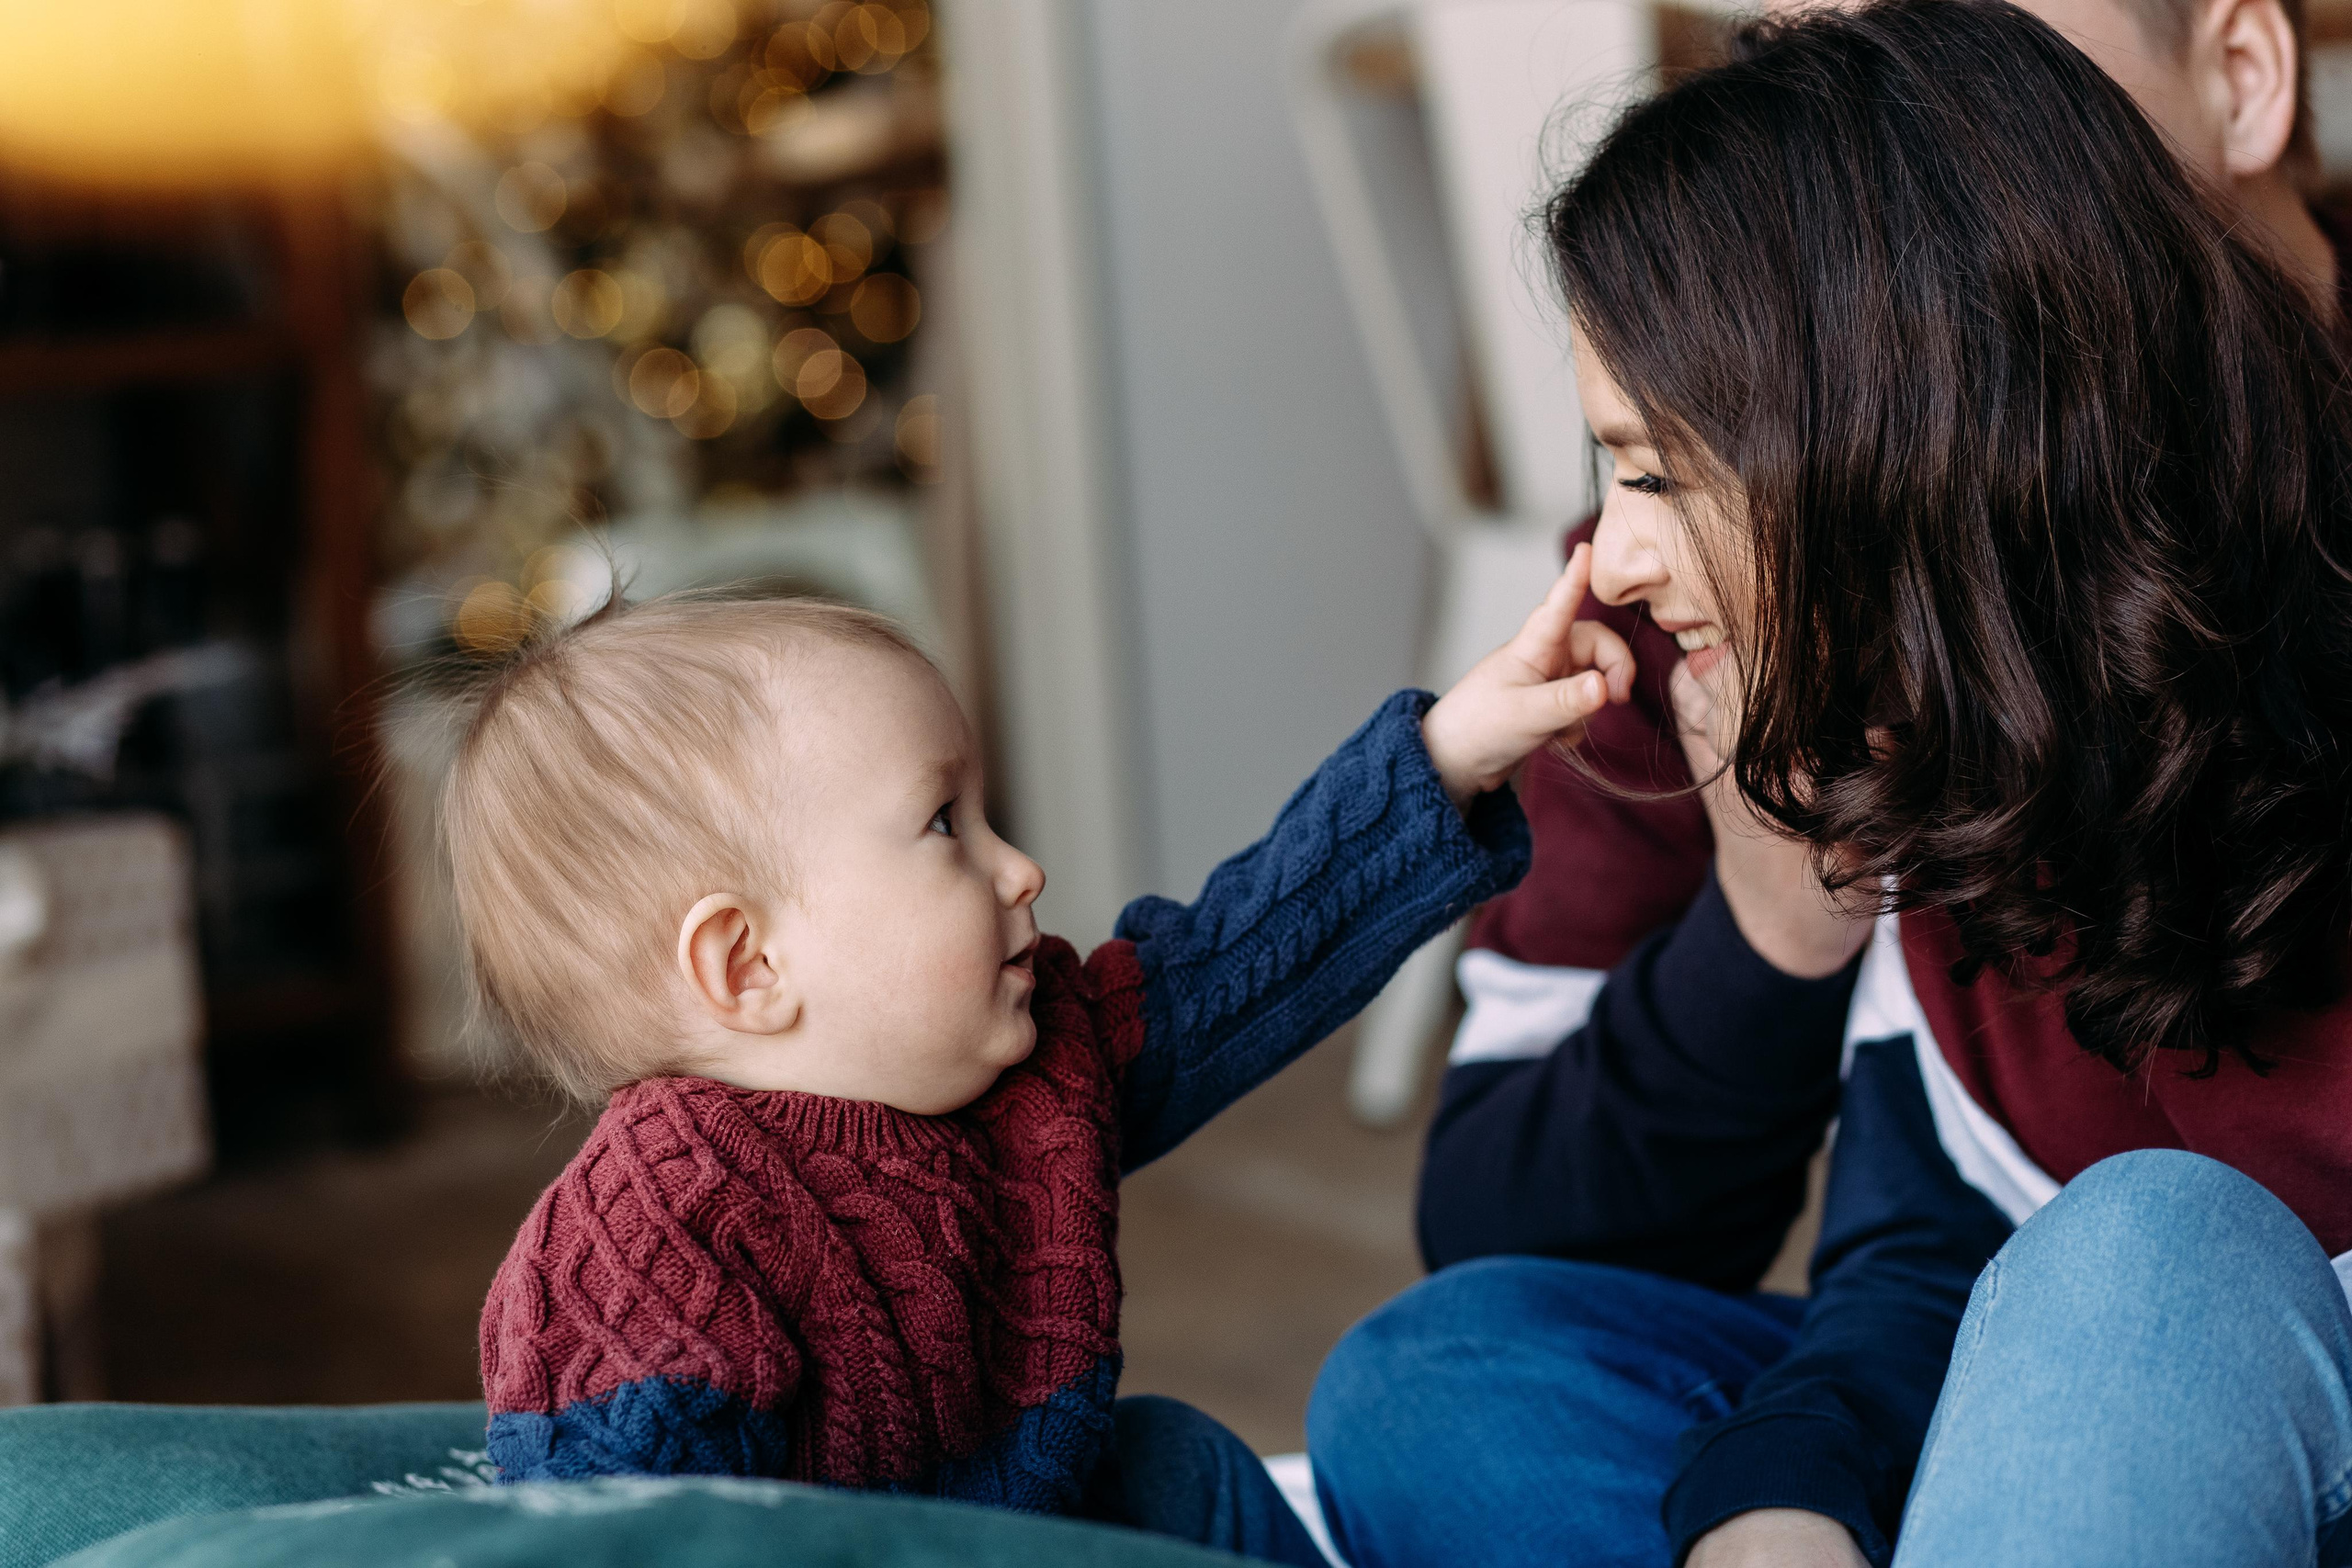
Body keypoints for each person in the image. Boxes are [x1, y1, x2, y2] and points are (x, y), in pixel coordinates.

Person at [1307, 3, 2352, 1565]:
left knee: (2143, 1251)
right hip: (2068, 1406)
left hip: (2225, 1379)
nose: (1614, 554)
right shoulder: (1887, 673)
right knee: (1427, 1383)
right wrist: (1781, 1489)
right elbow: (1926, 1236)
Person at [449, 570, 1632, 1562]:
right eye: (943, 828)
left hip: (1018, 1535)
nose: (1020, 869)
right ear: (747, 961)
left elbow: (1230, 957)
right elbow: (621, 1538)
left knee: (1173, 1465)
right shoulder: (654, 1238)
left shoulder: (1024, 1073)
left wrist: (1450, 753)